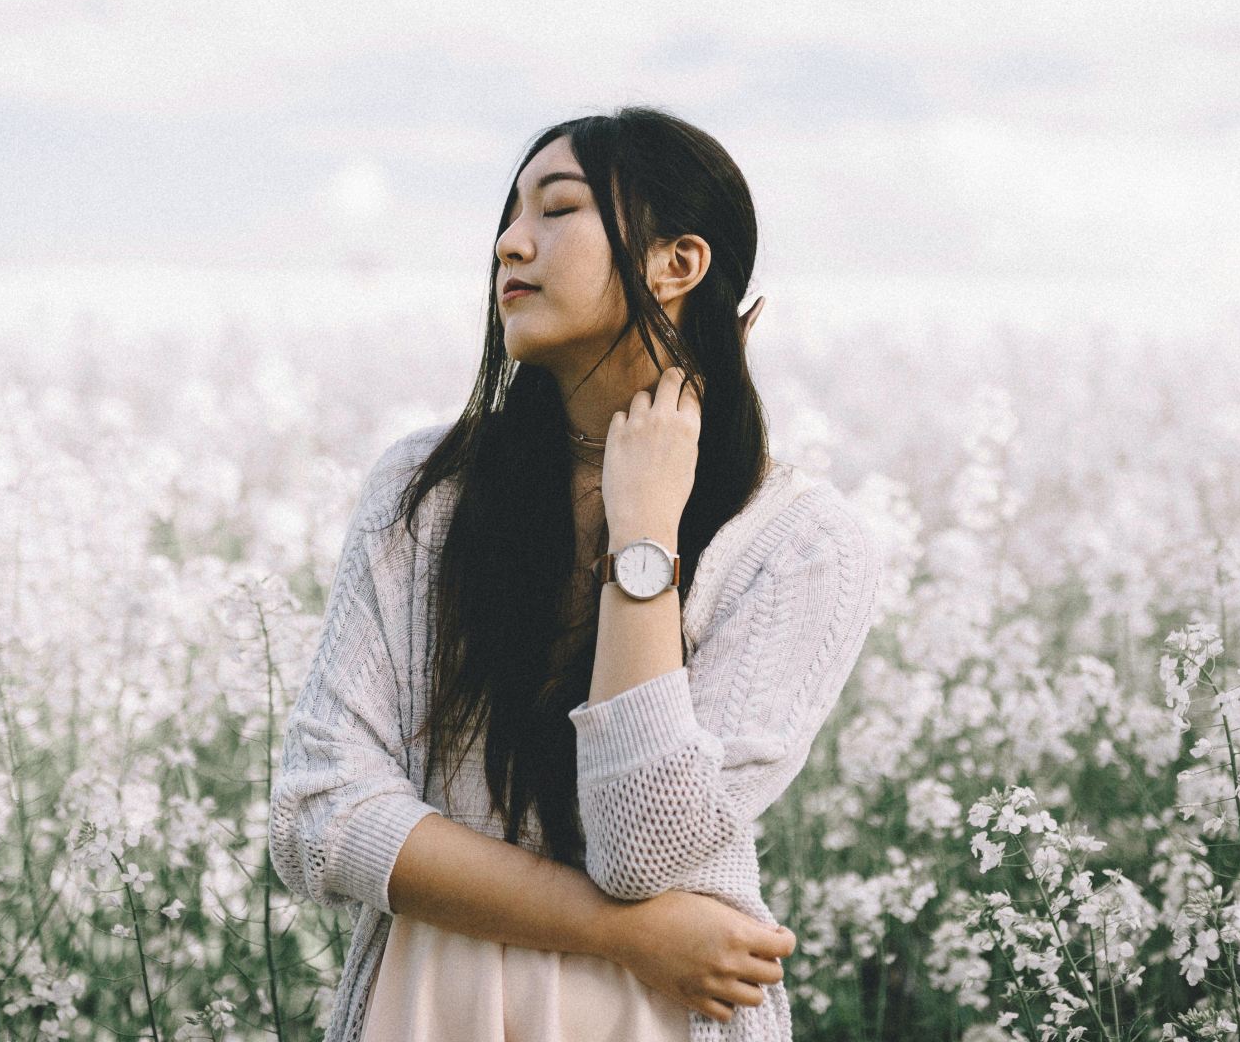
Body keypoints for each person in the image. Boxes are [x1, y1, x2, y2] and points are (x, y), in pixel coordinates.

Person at [268, 106, 884, 1041]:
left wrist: (644, 535)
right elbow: (318, 813)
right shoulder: (426, 491)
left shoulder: (801, 545)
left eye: (558, 210)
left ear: (678, 263)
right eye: (510, 216)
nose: (511, 244)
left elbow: (646, 849)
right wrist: (625, 935)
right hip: (433, 1006)